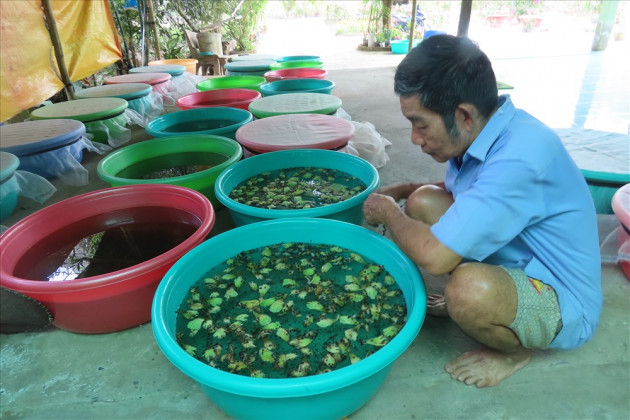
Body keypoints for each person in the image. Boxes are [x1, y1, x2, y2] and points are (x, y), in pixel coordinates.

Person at [362, 35, 602, 388]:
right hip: (517, 258)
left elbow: (436, 259)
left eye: (421, 124)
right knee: (423, 200)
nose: (414, 138)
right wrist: (402, 191)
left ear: (463, 115)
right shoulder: (488, 131)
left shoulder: (522, 156)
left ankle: (512, 352)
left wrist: (387, 212)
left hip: (561, 296)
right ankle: (498, 293)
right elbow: (469, 192)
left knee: (467, 290)